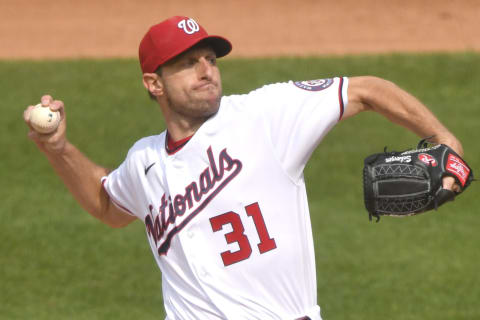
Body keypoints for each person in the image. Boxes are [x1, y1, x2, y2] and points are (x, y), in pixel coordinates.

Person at [24, 16, 463, 320]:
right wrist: (57, 148)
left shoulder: (264, 116)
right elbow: (107, 204)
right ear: (153, 83)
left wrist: (445, 139)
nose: (205, 71)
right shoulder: (144, 161)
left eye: (210, 60)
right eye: (186, 63)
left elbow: (366, 90)